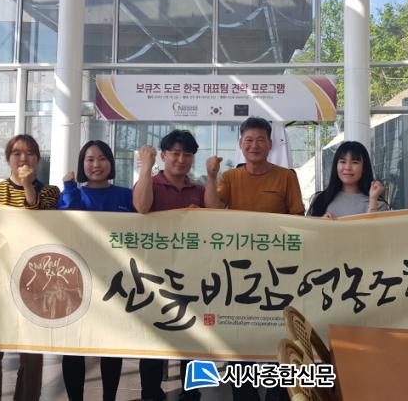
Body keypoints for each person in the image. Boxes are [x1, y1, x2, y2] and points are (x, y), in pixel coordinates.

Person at [0, 134, 60, 401]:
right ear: (8, 159)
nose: (23, 159)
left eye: (29, 153)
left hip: (35, 284)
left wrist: (28, 185)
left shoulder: (51, 192)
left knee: (31, 353)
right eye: (17, 153)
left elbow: (40, 224)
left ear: (38, 160)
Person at [132, 129, 223, 401]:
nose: (181, 159)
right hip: (155, 275)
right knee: (153, 336)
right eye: (175, 153)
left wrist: (212, 177)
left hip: (195, 276)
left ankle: (193, 392)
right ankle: (151, 392)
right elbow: (141, 207)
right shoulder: (150, 183)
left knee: (197, 337)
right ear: (163, 156)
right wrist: (146, 167)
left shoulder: (199, 189)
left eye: (187, 154)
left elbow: (216, 214)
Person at [216, 117, 303, 401]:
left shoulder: (286, 176)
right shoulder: (229, 178)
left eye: (260, 140)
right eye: (249, 140)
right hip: (237, 272)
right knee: (239, 333)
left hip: (277, 271)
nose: (254, 145)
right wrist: (211, 175)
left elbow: (297, 217)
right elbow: (212, 211)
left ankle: (278, 394)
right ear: (240, 144)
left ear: (270, 144)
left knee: (278, 332)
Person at [57, 140, 133, 401]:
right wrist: (69, 187)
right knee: (73, 346)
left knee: (111, 346)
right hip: (76, 281)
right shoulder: (72, 193)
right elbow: (71, 220)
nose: (96, 164)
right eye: (90, 159)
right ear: (82, 164)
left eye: (102, 159)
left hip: (116, 281)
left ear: (111, 162)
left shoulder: (126, 195)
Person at [306, 140, 388, 217]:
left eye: (355, 162)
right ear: (336, 165)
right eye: (343, 162)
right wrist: (321, 222)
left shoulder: (377, 203)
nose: (348, 167)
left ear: (364, 168)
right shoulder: (320, 199)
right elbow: (306, 227)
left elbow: (374, 227)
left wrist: (373, 202)